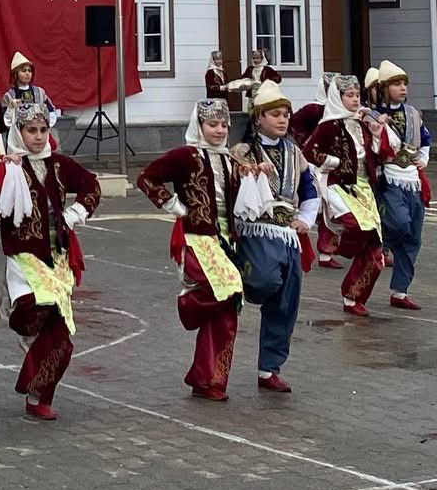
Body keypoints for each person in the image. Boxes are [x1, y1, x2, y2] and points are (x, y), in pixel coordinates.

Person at [0, 101, 100, 420]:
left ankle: (39, 394)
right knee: (36, 306)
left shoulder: (59, 165)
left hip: (57, 257)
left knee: (61, 338)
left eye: (43, 130)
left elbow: (91, 185)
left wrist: (74, 214)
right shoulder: (8, 166)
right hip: (24, 256)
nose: (39, 137)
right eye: (31, 130)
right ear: (18, 132)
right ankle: (18, 320)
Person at [136, 100, 247, 401]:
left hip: (225, 241)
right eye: (212, 124)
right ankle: (188, 304)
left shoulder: (228, 159)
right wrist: (175, 206)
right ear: (198, 125)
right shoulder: (186, 155)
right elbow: (146, 178)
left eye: (223, 125)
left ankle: (208, 379)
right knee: (228, 288)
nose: (219, 130)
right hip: (198, 238)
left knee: (227, 311)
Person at [233, 80, 320, 394]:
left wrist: (305, 219)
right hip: (257, 232)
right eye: (275, 114)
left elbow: (309, 189)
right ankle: (241, 285)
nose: (283, 120)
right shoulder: (242, 152)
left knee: (286, 304)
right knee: (264, 281)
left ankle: (269, 369)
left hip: (288, 235)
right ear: (259, 117)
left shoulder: (294, 152)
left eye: (285, 114)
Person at [303, 76, 385, 316]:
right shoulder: (328, 125)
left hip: (364, 188)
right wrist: (335, 162)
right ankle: (336, 244)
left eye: (357, 95)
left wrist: (377, 135)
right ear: (337, 98)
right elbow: (309, 152)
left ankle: (353, 297)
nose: (355, 100)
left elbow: (373, 156)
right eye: (349, 96)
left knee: (375, 249)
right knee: (357, 226)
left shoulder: (361, 123)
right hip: (339, 186)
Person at [366, 60, 431, 311]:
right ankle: (380, 245)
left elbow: (425, 138)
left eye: (404, 84)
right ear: (384, 87)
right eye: (396, 84)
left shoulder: (413, 113)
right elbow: (369, 149)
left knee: (413, 235)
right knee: (399, 222)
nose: (403, 88)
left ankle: (400, 291)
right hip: (389, 179)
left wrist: (423, 158)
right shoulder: (372, 115)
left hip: (412, 179)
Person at [1, 52, 58, 137]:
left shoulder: (39, 92)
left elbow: (51, 110)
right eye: (24, 71)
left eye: (29, 71)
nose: (27, 73)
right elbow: (5, 120)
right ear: (15, 74)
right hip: (17, 137)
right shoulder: (9, 96)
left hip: (38, 134)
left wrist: (46, 125)